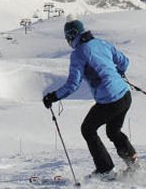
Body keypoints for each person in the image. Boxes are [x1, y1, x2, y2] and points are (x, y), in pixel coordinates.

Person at [42, 19, 140, 178]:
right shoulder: (102, 43)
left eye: (67, 38)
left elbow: (73, 84)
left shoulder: (78, 54)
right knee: (113, 131)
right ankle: (134, 164)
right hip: (125, 95)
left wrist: (53, 97)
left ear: (72, 36)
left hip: (109, 101)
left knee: (88, 129)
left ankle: (105, 170)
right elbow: (124, 63)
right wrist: (118, 73)